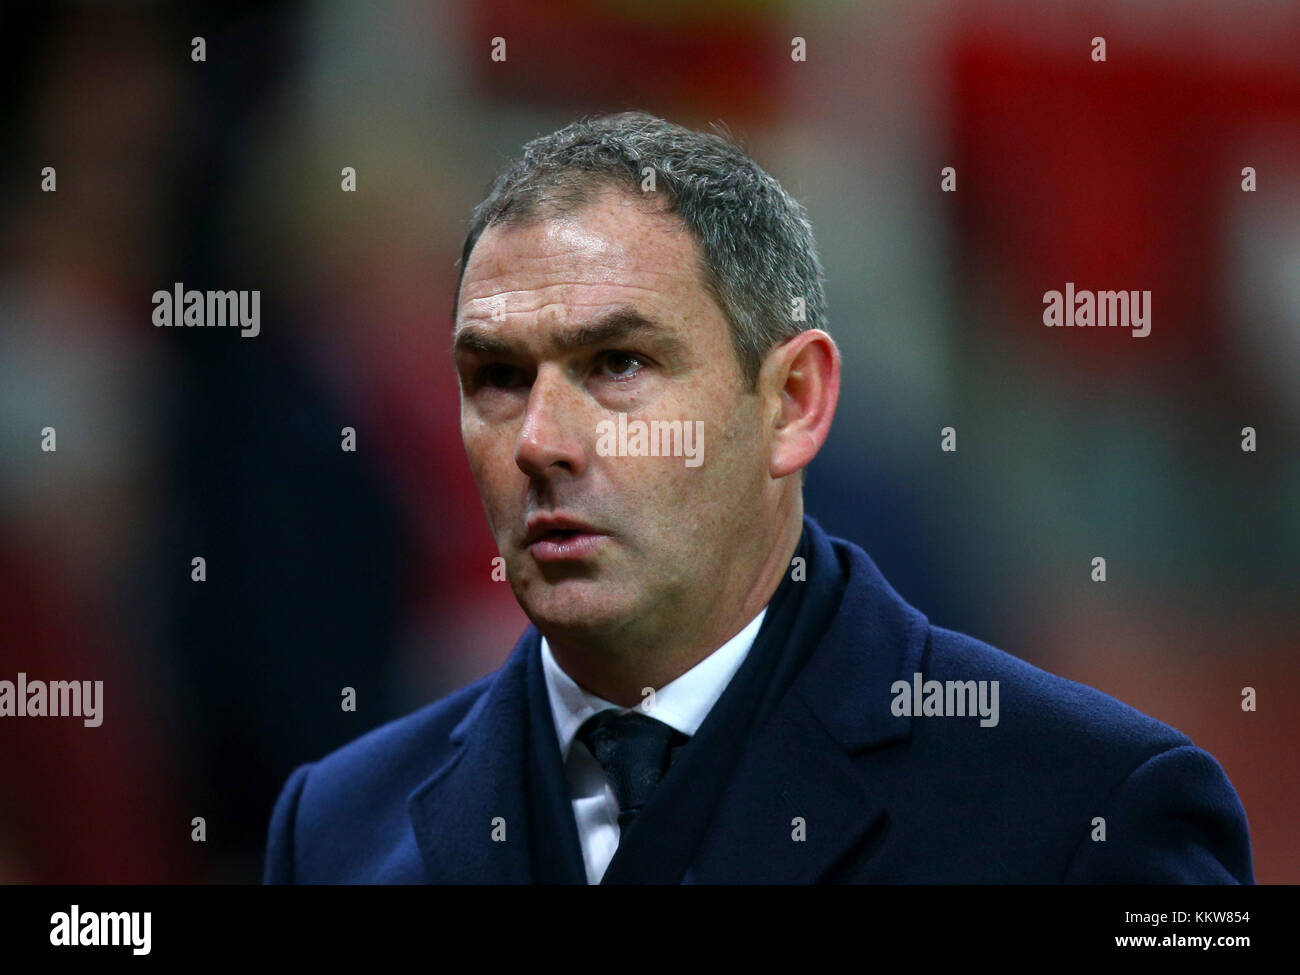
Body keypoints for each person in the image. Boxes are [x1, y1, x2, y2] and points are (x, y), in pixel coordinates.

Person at [263, 111, 1253, 884]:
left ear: (791, 402)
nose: (539, 443)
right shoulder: (336, 829)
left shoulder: (1086, 808)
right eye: (497, 379)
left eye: (617, 364)